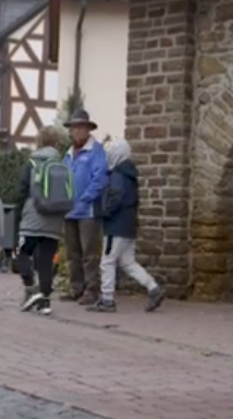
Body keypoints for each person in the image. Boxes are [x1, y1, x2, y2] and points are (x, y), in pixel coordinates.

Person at [87, 139, 165, 313]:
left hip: (115, 225)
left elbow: (115, 196)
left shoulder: (117, 175)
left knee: (107, 261)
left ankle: (107, 299)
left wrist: (104, 211)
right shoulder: (130, 175)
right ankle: (153, 287)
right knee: (128, 262)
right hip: (128, 225)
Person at [16, 126, 67, 315]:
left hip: (33, 218)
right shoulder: (62, 163)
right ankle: (45, 302)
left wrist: (20, 215)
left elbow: (22, 191)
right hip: (55, 219)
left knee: (21, 253)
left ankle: (31, 287)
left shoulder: (32, 163)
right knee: (46, 261)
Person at [60, 108, 109, 305]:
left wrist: (85, 198)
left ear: (88, 129)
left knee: (89, 252)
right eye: (74, 127)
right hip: (69, 210)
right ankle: (76, 287)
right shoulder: (68, 153)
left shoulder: (96, 151)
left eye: (80, 127)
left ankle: (92, 289)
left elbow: (100, 179)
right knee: (73, 253)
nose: (77, 131)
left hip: (87, 210)